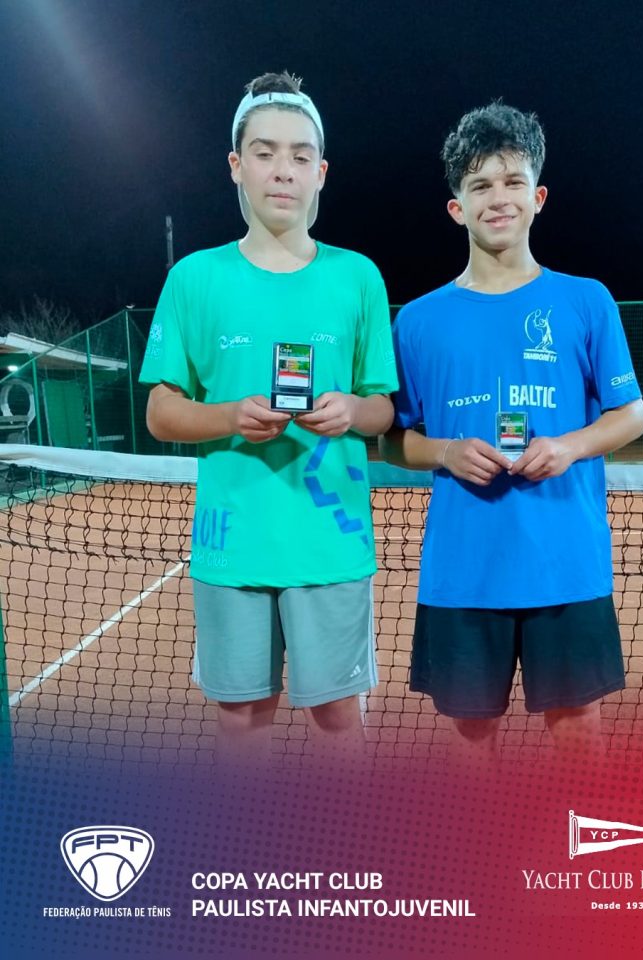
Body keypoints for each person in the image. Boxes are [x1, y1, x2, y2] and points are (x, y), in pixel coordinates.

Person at [140, 71, 398, 766]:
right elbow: (160, 411)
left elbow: (382, 407)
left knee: (338, 718)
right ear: (237, 165)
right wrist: (229, 414)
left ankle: (348, 838)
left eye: (299, 155)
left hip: (331, 547)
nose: (283, 169)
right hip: (231, 549)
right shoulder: (193, 278)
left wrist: (352, 411)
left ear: (320, 172)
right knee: (241, 719)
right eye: (265, 152)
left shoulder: (359, 277)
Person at [380, 101, 643, 765]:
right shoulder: (417, 321)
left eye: (511, 181)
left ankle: (575, 841)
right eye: (480, 185)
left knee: (578, 732)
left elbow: (631, 415)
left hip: (566, 565)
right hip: (464, 571)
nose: (497, 198)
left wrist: (568, 447)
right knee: (471, 743)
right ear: (457, 208)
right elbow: (390, 439)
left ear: (538, 197)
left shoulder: (586, 301)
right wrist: (444, 451)